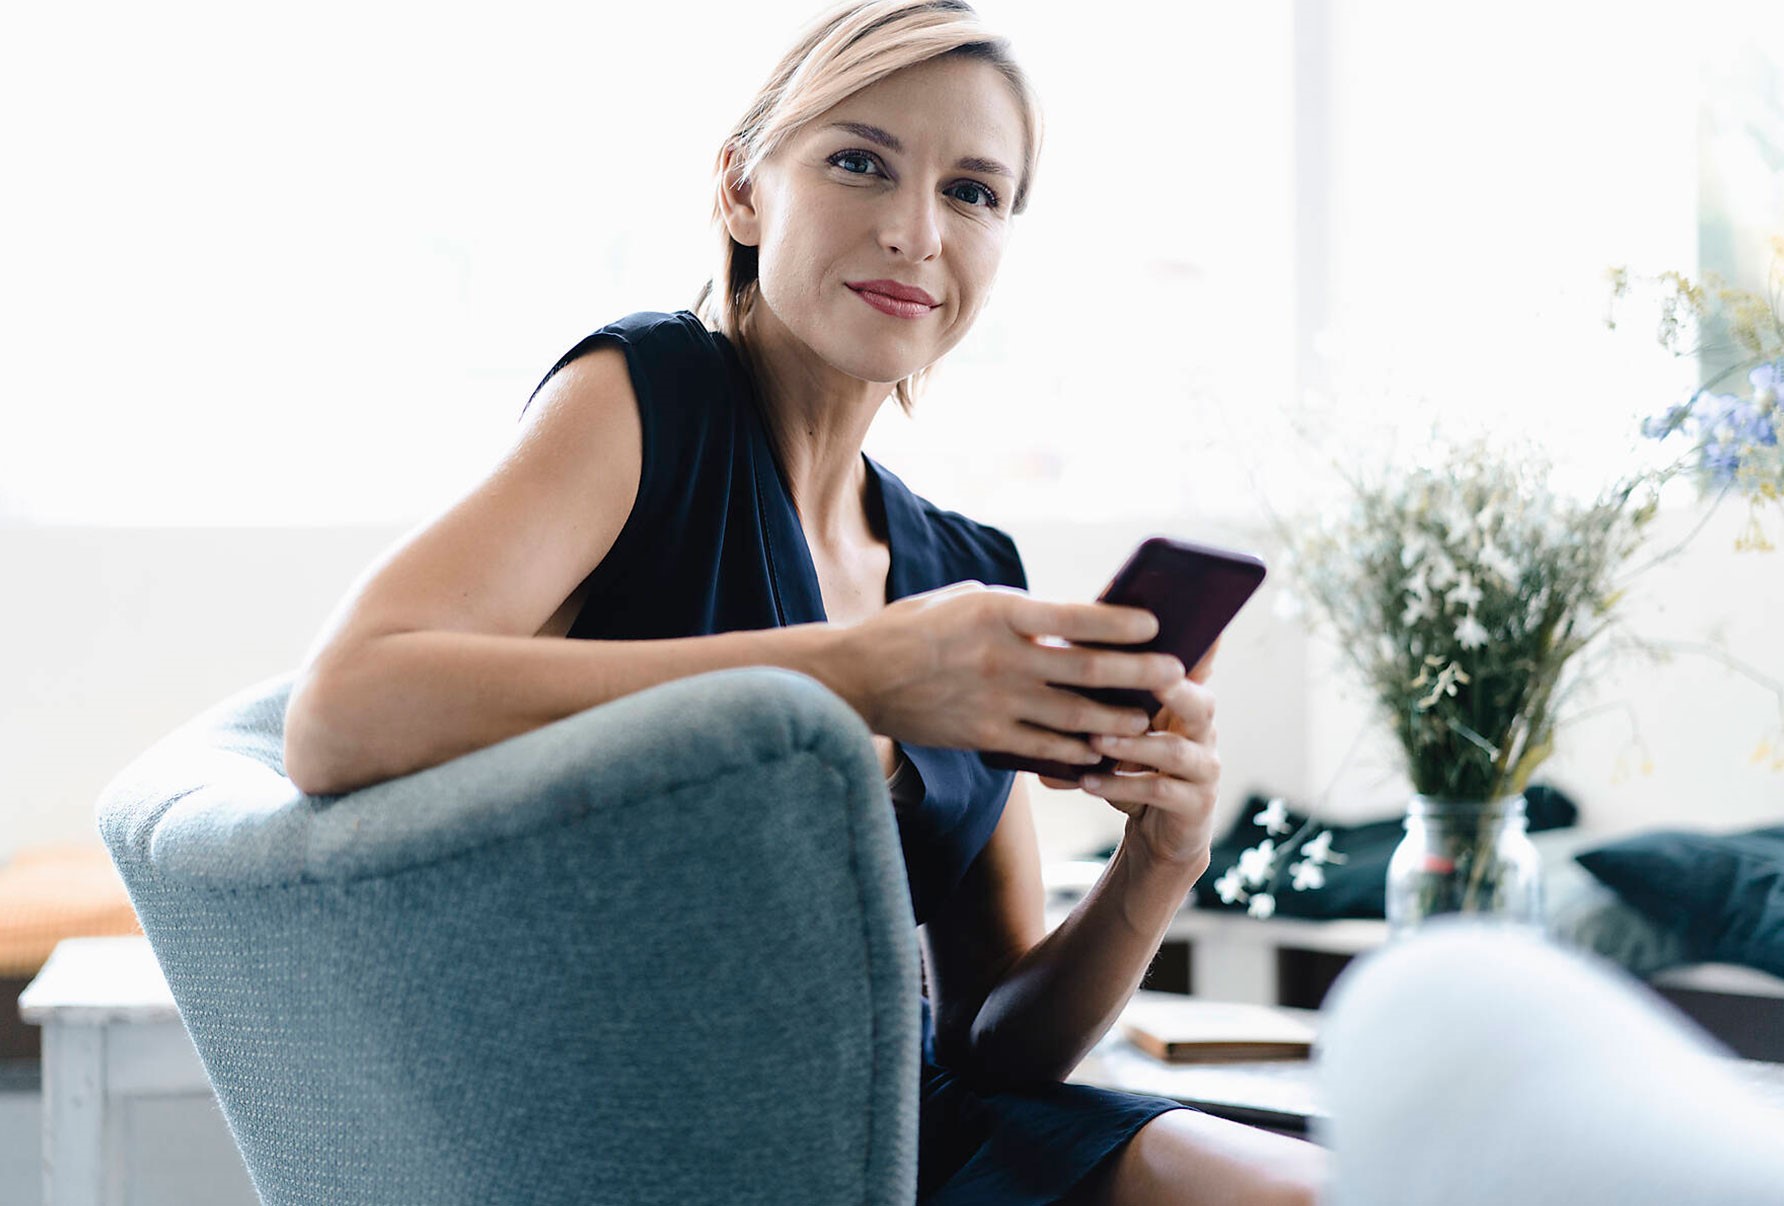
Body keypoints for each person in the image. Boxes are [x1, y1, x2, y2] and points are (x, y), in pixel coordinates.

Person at [282, 1, 1328, 1202]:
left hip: (892, 1133)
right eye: (857, 162)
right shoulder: (646, 402)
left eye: (973, 192)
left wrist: (1159, 858)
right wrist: (856, 671)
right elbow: (343, 711)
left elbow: (994, 1036)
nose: (914, 231)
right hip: (641, 1141)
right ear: (741, 191)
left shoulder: (965, 571)